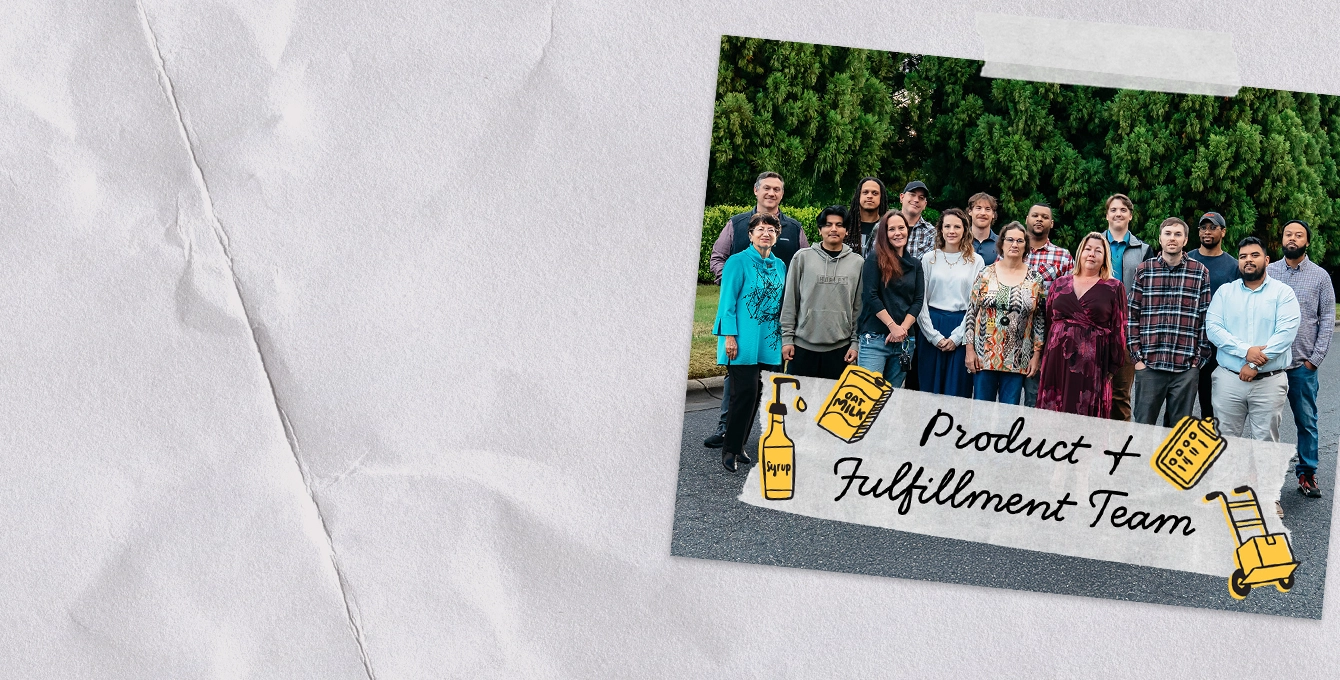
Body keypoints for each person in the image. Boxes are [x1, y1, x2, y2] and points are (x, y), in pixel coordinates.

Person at [704, 171, 809, 449]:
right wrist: (730, 281)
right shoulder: (737, 224)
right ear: (756, 191)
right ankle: (727, 429)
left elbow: (804, 267)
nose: (771, 193)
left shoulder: (794, 229)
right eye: (766, 188)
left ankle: (762, 434)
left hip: (775, 319)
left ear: (782, 194)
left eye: (777, 189)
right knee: (738, 379)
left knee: (767, 379)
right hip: (746, 313)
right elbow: (718, 257)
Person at [1205, 236, 1300, 443]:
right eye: (1243, 256)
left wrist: (1252, 365)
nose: (1248, 260)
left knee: (1265, 444)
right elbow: (1213, 329)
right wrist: (1246, 351)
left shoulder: (1283, 293)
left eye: (1255, 255)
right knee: (1225, 443)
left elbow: (1285, 335)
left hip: (1269, 383)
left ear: (1266, 260)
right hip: (1228, 381)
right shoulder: (1225, 293)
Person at [712, 213, 787, 472]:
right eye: (761, 229)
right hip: (742, 340)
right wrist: (729, 337)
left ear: (777, 236)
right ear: (751, 234)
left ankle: (741, 445)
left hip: (769, 339)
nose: (766, 233)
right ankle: (729, 450)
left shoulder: (780, 266)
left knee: (757, 395)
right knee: (742, 394)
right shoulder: (737, 262)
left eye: (772, 230)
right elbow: (727, 303)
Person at [1266, 220, 1334, 499]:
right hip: (1270, 365)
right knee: (1268, 422)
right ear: (1281, 239)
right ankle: (1268, 477)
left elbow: (1328, 318)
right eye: (1288, 234)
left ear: (1307, 241)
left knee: (1306, 420)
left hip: (1302, 365)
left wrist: (1314, 359)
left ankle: (1307, 473)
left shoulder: (1320, 277)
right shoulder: (1269, 271)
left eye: (1299, 235)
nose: (1292, 239)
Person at [1127, 217, 1213, 426]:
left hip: (1185, 368)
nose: (1172, 238)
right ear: (1160, 238)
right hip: (1149, 364)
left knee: (1176, 432)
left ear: (1185, 240)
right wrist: (1137, 358)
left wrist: (1197, 362)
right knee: (1142, 428)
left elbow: (1205, 318)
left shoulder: (1199, 272)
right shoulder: (1144, 270)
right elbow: (1132, 314)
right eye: (1168, 234)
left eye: (1177, 234)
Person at [1036, 232, 1128, 417]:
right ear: (1080, 253)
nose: (1092, 254)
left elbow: (1120, 329)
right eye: (1088, 249)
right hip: (1056, 361)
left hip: (1092, 364)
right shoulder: (1059, 284)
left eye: (1098, 251)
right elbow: (1048, 322)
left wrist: (1113, 366)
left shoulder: (1114, 287)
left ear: (1105, 258)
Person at [963, 222, 1045, 404]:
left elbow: (1039, 318)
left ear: (1026, 246)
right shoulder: (986, 273)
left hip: (1018, 357)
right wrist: (969, 349)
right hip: (984, 354)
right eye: (1010, 240)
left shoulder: (1035, 278)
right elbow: (971, 312)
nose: (1014, 244)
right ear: (1001, 243)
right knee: (981, 412)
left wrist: (1036, 355)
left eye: (1020, 241)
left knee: (1009, 414)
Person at [780, 206, 863, 379]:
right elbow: (790, 301)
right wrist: (787, 339)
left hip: (841, 349)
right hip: (802, 348)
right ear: (820, 230)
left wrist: (855, 343)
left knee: (832, 405)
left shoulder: (858, 263)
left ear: (846, 231)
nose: (833, 229)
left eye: (839, 225)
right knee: (798, 404)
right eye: (828, 224)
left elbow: (858, 308)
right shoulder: (802, 258)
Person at [916, 208, 984, 398]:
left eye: (957, 226)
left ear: (965, 230)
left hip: (962, 326)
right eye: (947, 226)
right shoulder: (929, 258)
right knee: (929, 389)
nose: (952, 231)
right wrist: (932, 336)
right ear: (941, 230)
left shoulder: (976, 261)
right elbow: (920, 301)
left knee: (957, 390)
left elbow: (975, 303)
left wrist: (958, 337)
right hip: (931, 324)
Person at [856, 210, 924, 387]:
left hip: (904, 341)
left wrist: (902, 330)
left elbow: (918, 301)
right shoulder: (874, 259)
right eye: (891, 229)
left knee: (890, 397)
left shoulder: (916, 264)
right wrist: (892, 327)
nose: (897, 233)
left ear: (907, 230)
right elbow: (870, 296)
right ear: (884, 234)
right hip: (875, 338)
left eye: (901, 228)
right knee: (867, 395)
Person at [1101, 193, 1153, 421]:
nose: (1118, 213)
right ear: (1107, 215)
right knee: (1093, 390)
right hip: (1096, 327)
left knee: (1121, 395)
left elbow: (1150, 294)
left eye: (1123, 210)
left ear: (1130, 215)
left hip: (1127, 330)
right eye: (1113, 209)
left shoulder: (1143, 250)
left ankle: (1119, 447)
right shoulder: (1093, 244)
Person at [1186, 211, 1241, 420]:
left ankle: (1210, 448)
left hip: (1217, 345)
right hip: (1188, 341)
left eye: (1213, 227)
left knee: (1211, 405)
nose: (1207, 232)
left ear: (1223, 232)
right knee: (1181, 404)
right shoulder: (1187, 259)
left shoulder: (1233, 266)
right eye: (1203, 228)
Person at [1020, 202, 1075, 406]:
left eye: (1044, 217)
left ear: (1051, 223)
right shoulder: (1012, 248)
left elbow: (1071, 299)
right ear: (1027, 219)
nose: (1039, 219)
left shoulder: (1063, 256)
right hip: (1011, 333)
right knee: (1007, 398)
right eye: (1035, 215)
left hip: (1045, 333)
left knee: (1036, 396)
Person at [898, 180, 936, 391]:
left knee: (914, 374)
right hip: (886, 306)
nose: (916, 199)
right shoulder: (885, 226)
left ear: (925, 204)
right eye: (912, 194)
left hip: (916, 307)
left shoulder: (932, 233)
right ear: (902, 197)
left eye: (921, 197)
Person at [845, 177, 888, 255]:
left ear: (881, 197)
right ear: (859, 195)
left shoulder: (886, 226)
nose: (870, 196)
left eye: (875, 193)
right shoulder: (845, 224)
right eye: (865, 192)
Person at [967, 192, 1000, 265]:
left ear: (993, 214)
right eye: (978, 208)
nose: (983, 213)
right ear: (970, 212)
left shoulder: (1001, 243)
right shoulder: (960, 240)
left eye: (987, 209)